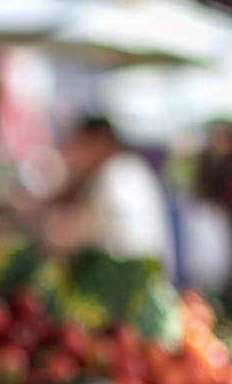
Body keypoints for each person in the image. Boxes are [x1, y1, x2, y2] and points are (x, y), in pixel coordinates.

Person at [41, 116, 174, 276]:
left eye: (81, 145)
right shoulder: (133, 168)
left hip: (127, 281)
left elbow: (74, 235)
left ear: (100, 140)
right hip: (148, 275)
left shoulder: (113, 174)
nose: (76, 154)